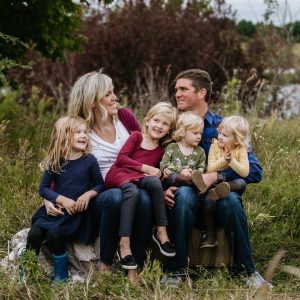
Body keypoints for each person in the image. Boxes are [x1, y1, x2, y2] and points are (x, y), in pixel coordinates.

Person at [162, 69, 273, 289]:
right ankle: (176, 271)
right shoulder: (172, 126)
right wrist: (165, 184)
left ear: (201, 92)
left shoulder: (224, 127)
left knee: (231, 199)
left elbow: (255, 171)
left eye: (183, 89)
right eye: (176, 90)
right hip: (185, 200)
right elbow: (158, 164)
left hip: (217, 199)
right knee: (184, 194)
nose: (177, 94)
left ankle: (247, 272)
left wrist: (218, 175)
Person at [44, 70, 153, 281]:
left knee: (145, 199)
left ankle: (135, 266)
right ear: (92, 101)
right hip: (99, 194)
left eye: (114, 92)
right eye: (108, 94)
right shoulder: (79, 129)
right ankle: (105, 264)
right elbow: (59, 165)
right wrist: (49, 197)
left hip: (132, 185)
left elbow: (143, 152)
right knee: (114, 197)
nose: (115, 98)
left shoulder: (125, 117)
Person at [24, 116, 104, 282]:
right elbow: (43, 188)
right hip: (55, 211)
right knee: (34, 234)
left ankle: (61, 274)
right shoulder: (55, 162)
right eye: (78, 132)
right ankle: (26, 270)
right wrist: (61, 199)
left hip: (74, 215)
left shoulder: (89, 161)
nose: (84, 135)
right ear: (64, 136)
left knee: (55, 235)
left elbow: (100, 185)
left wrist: (87, 194)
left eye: (85, 132)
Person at [105, 102, 177, 269]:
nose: (159, 126)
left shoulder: (161, 152)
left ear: (169, 130)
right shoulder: (137, 136)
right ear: (147, 121)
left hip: (140, 178)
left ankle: (161, 231)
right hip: (120, 173)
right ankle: (124, 243)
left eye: (165, 124)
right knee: (132, 191)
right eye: (156, 120)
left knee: (154, 181)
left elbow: (157, 173)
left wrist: (164, 171)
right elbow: (121, 159)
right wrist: (146, 168)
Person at [192, 115, 249, 248]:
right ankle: (210, 237)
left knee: (241, 182)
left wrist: (232, 161)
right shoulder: (215, 146)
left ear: (236, 140)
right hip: (214, 184)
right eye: (220, 133)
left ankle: (225, 187)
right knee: (209, 199)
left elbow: (245, 172)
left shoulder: (241, 149)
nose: (220, 137)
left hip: (232, 185)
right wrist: (224, 159)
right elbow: (211, 167)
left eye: (225, 135)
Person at [160, 112, 206, 189]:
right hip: (171, 182)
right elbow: (164, 164)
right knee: (172, 177)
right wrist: (181, 171)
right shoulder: (172, 147)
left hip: (190, 184)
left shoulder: (200, 151)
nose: (199, 136)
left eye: (200, 133)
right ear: (183, 132)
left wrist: (192, 173)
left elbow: (201, 169)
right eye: (195, 133)